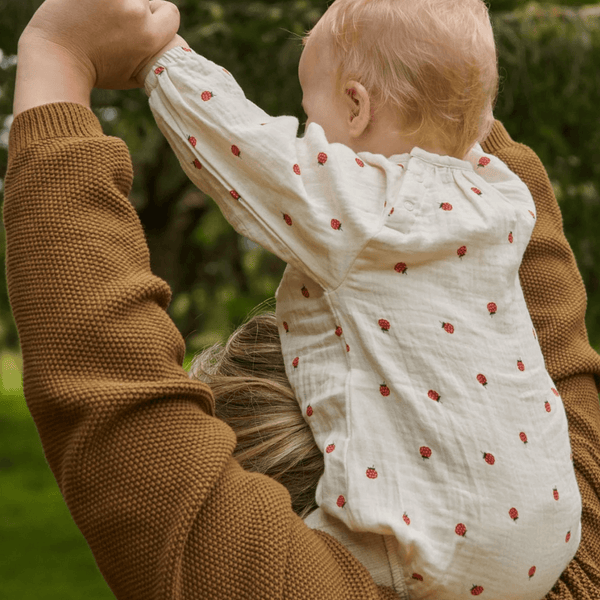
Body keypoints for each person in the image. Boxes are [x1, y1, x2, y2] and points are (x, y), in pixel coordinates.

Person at [5, 0, 600, 598]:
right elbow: (559, 336)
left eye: (309, 110)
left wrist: (153, 58)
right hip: (551, 539)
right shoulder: (503, 200)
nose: (306, 132)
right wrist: (450, 86)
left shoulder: (373, 211)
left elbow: (247, 147)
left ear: (356, 105)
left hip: (430, 564)